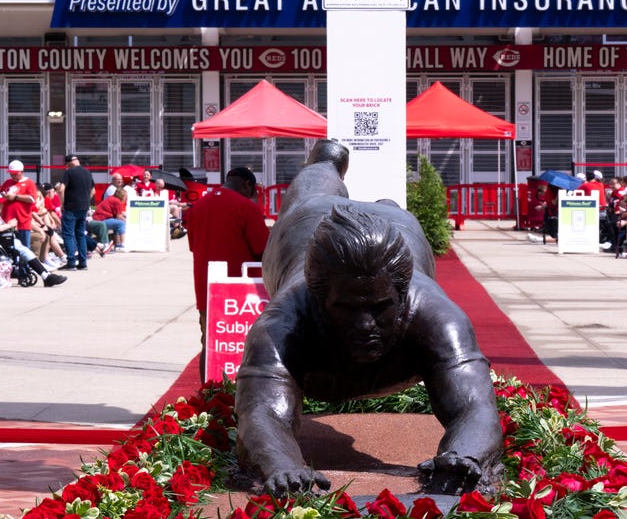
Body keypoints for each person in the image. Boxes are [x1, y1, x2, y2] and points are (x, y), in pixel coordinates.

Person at [235, 142, 502, 498]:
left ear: (402, 295)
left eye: (379, 308)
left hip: (400, 226)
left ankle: (386, 209)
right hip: (308, 221)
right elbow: (263, 413)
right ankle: (327, 162)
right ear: (318, 296)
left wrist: (464, 456)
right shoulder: (284, 321)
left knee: (391, 213)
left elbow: (475, 407)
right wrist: (281, 466)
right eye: (346, 308)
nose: (364, 324)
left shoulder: (438, 317)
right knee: (311, 192)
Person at [184, 166, 271, 378]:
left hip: (207, 289)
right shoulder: (246, 208)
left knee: (210, 345)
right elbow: (263, 251)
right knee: (246, 346)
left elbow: (194, 246)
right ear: (247, 185)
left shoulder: (197, 207)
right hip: (243, 294)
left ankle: (208, 394)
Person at [0, 192, 67, 287]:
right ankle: (45, 276)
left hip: (4, 240)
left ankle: (44, 275)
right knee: (25, 251)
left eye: (2, 203)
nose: (2, 205)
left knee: (25, 250)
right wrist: (10, 225)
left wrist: (9, 225)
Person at [59, 154, 93, 271]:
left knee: (68, 234)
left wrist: (62, 204)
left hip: (71, 207)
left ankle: (71, 262)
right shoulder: (87, 173)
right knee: (81, 234)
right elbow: (92, 190)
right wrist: (86, 200)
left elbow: (61, 189)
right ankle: (83, 263)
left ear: (69, 163)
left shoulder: (69, 172)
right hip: (84, 207)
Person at [0, 160, 38, 248]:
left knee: (24, 247)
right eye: (11, 173)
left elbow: (32, 199)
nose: (13, 176)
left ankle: (24, 262)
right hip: (7, 219)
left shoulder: (29, 183)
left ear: (22, 172)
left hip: (23, 220)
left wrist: (15, 197)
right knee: (9, 246)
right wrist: (4, 196)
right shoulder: (7, 182)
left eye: (15, 174)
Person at [92, 186, 128, 252]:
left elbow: (117, 214)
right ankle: (122, 244)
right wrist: (127, 220)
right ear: (122, 195)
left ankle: (118, 245)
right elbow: (118, 216)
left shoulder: (112, 199)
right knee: (121, 224)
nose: (126, 198)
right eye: (126, 196)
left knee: (117, 224)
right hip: (101, 220)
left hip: (98, 219)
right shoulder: (117, 201)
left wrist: (123, 216)